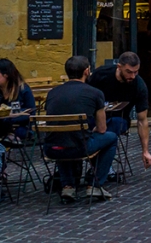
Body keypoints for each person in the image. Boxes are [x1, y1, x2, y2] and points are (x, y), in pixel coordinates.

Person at [44, 56, 118, 203]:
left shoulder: (52, 93)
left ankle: (68, 186)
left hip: (51, 148)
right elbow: (102, 129)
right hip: (79, 147)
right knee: (111, 137)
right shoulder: (95, 93)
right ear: (86, 71)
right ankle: (95, 184)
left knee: (62, 137)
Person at [89, 52, 151, 169]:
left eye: (136, 72)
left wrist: (145, 151)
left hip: (119, 119)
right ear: (119, 67)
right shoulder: (101, 74)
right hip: (95, 118)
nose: (133, 76)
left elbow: (142, 120)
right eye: (129, 72)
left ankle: (100, 166)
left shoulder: (139, 85)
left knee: (112, 126)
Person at [0, 58, 36, 142]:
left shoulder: (22, 89)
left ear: (6, 75)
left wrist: (9, 116)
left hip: (19, 127)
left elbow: (31, 112)